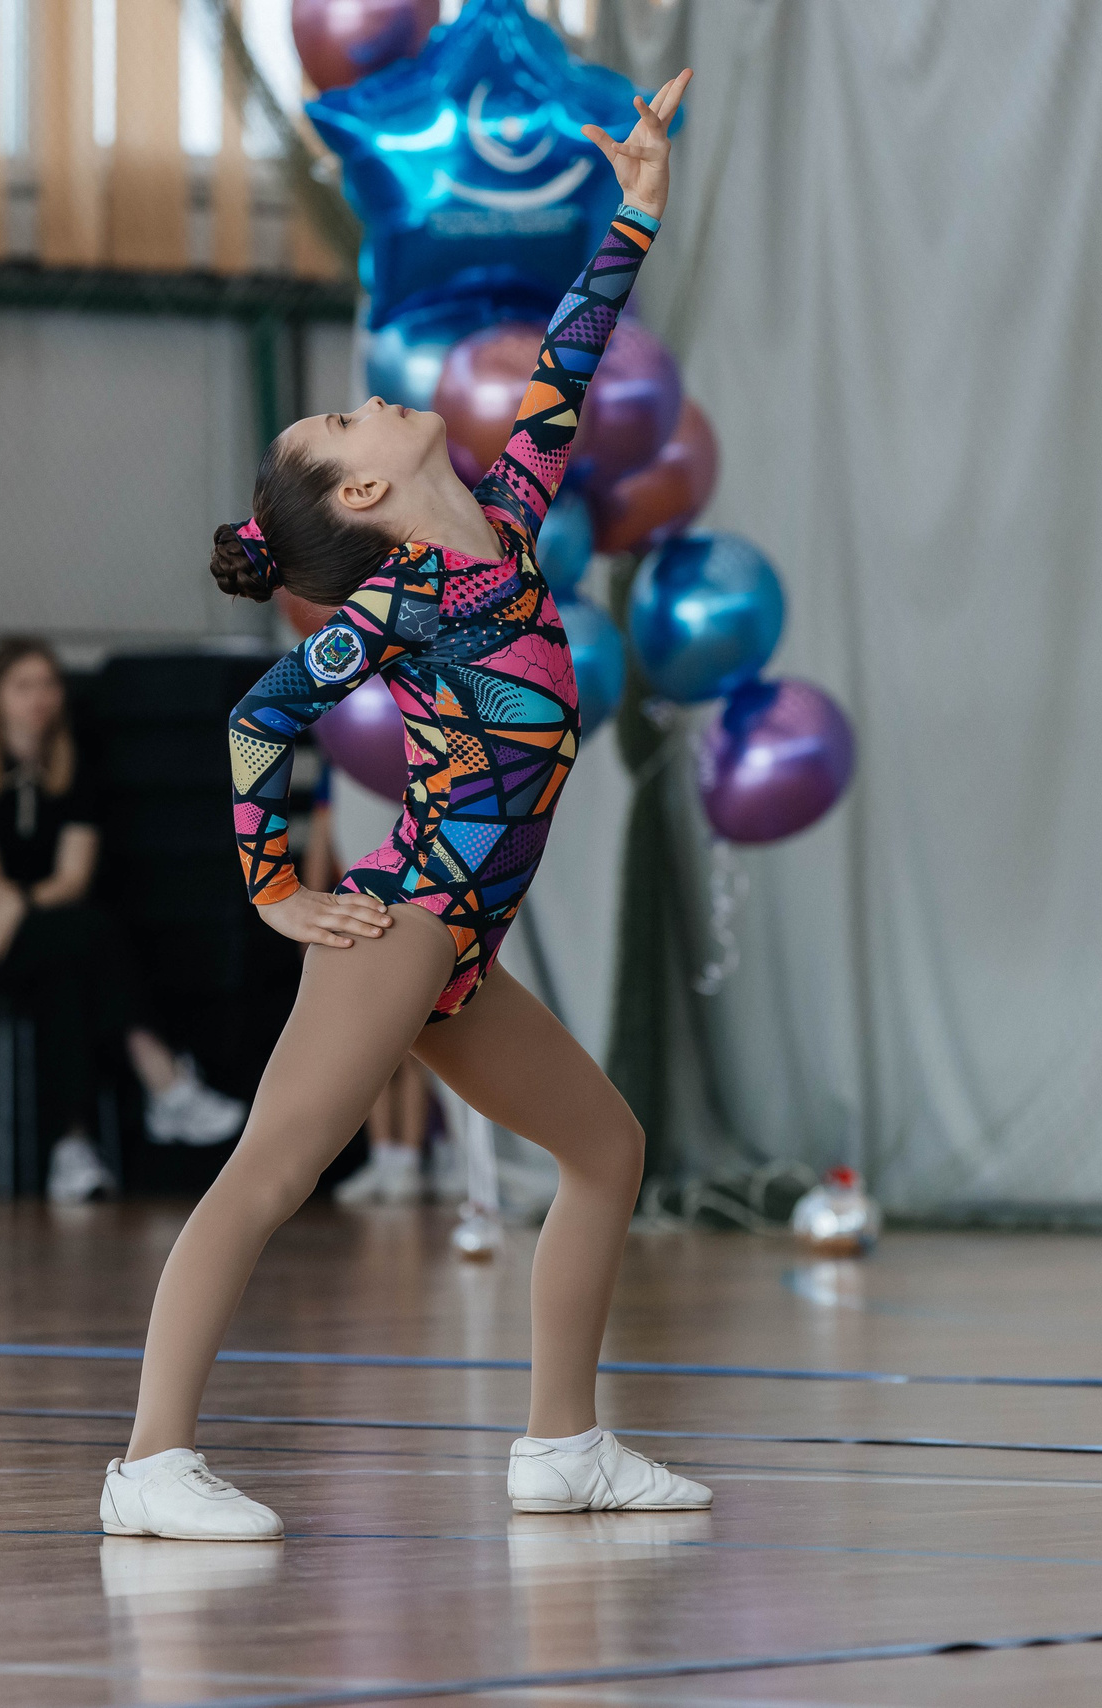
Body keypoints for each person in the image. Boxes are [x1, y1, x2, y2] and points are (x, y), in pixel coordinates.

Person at [100, 72, 710, 1541]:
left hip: (461, 949)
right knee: (275, 1166)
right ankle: (150, 1463)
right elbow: (264, 714)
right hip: (410, 919)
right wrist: (273, 887)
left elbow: (568, 359)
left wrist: (633, 207)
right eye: (343, 415)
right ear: (363, 491)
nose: (372, 393)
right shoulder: (403, 602)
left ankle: (563, 1444)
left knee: (607, 1149)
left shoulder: (500, 525)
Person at [0, 638, 249, 1202]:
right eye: (23, 686)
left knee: (66, 973)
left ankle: (71, 1147)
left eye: (48, 684)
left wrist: (20, 902)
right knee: (91, 932)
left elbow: (72, 878)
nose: (40, 699)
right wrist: (13, 904)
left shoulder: (74, 774)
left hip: (50, 937)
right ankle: (163, 1078)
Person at [306, 765, 436, 1207]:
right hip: (356, 913)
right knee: (370, 1049)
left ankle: (411, 1158)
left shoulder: (423, 758)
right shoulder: (339, 771)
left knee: (416, 1048)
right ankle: (384, 1156)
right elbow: (324, 840)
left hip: (413, 910)